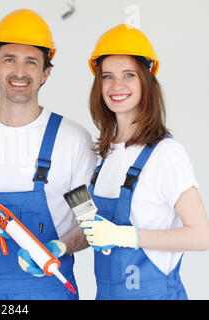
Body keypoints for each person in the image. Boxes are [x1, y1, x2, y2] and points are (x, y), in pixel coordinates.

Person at [0, 9, 96, 300]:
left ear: (45, 73)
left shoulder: (73, 140)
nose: (20, 72)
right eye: (9, 60)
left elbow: (88, 224)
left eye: (31, 62)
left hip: (50, 291)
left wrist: (60, 247)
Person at [81, 24, 209, 300]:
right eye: (107, 77)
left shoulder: (166, 154)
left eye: (129, 75)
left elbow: (201, 236)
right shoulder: (103, 155)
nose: (117, 86)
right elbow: (97, 233)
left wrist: (126, 237)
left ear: (146, 81)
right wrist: (57, 247)